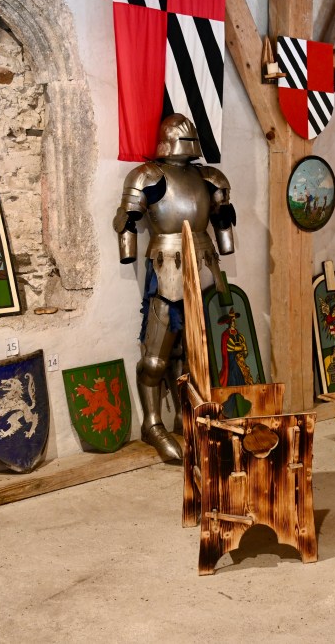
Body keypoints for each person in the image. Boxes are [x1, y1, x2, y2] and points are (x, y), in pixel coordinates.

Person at [113, 114, 237, 461]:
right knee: (155, 360)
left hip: (206, 264)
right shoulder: (146, 176)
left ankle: (189, 418)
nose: (188, 145)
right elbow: (127, 220)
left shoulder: (209, 176)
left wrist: (225, 245)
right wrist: (127, 253)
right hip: (165, 264)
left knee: (195, 354)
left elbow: (222, 217)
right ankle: (152, 424)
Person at [218, 308, 254, 386]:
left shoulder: (239, 335)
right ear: (230, 322)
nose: (234, 322)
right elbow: (230, 348)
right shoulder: (226, 335)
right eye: (233, 320)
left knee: (244, 373)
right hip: (232, 359)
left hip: (239, 358)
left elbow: (244, 348)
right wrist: (240, 348)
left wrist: (244, 350)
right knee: (234, 372)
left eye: (234, 320)